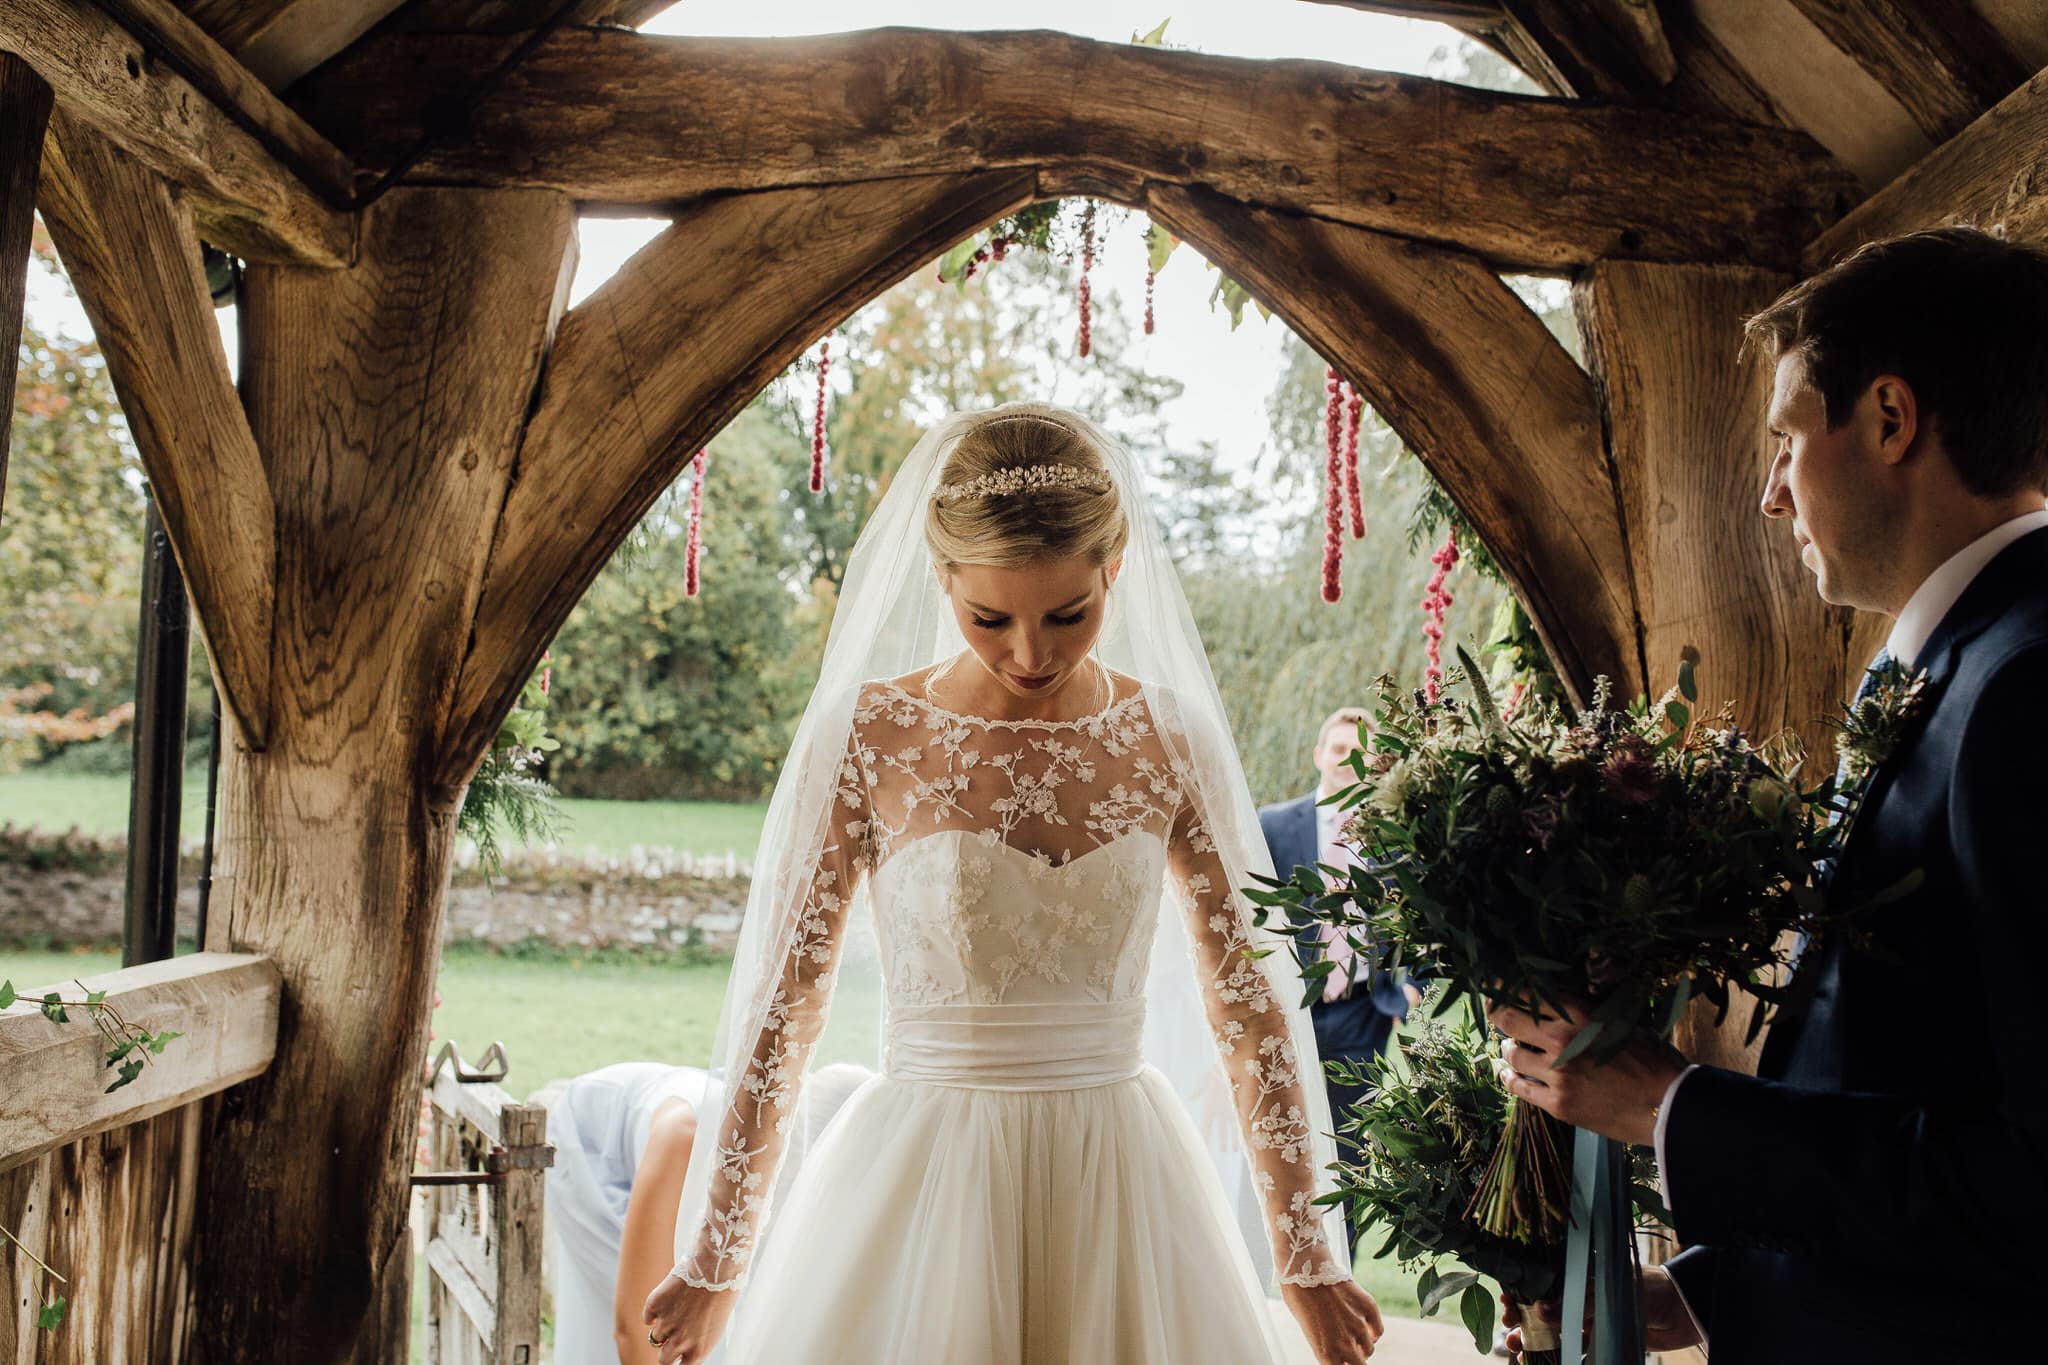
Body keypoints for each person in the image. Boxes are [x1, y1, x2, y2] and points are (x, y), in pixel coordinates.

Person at [642, 403, 1383, 1364]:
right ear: (941, 576)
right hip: (921, 1178)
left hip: (1121, 1178)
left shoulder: (1169, 736)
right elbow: (785, 1006)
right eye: (989, 617)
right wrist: (717, 1256)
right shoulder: (869, 735)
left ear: (1115, 567)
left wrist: (1304, 1252)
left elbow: (1249, 1009)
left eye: (1068, 614)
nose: (1031, 653)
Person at [1489, 226, 2048, 1363]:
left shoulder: (2027, 687)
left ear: (1888, 420)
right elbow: (1911, 1081)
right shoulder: (1951, 667)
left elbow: (2035, 1183)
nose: (1766, 498)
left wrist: (1667, 1108)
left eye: (1787, 438)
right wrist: (1707, 1295)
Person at [536, 1061, 871, 1365]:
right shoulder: (689, 1140)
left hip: (680, 1129)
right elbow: (633, 1330)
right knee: (645, 1315)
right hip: (598, 1149)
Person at [1257, 707, 1423, 1249]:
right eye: (1337, 749)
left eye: (1360, 753)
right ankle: (1283, 1276)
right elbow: (1244, 913)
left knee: (1347, 1159)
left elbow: (1426, 919)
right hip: (1289, 1011)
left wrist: (1415, 986)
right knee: (1283, 1148)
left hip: (1361, 1015)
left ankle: (1341, 1275)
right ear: (1317, 755)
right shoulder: (1274, 825)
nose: (1347, 761)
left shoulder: (1396, 834)